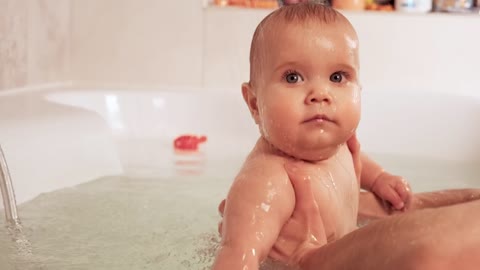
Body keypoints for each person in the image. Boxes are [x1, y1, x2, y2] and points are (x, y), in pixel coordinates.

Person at [212, 3, 480, 269]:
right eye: (293, 77)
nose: (321, 93)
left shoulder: (337, 146)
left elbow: (352, 160)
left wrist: (377, 179)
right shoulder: (267, 181)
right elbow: (237, 257)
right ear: (255, 104)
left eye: (338, 77)